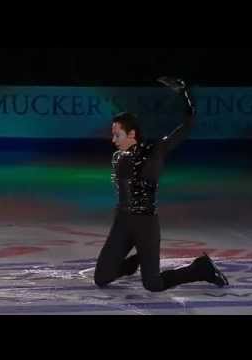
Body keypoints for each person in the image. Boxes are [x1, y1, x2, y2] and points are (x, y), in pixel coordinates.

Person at [94, 78, 229, 292]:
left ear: (132, 134)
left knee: (153, 284)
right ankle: (134, 262)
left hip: (145, 224)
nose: (113, 140)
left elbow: (187, 124)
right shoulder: (119, 158)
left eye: (117, 134)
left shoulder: (156, 150)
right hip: (122, 222)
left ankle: (200, 269)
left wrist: (185, 93)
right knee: (101, 278)